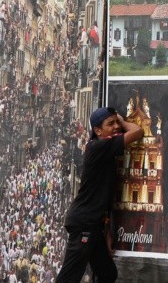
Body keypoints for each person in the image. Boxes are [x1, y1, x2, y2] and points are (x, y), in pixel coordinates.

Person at [55, 107, 143, 283]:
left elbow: (104, 195)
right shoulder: (99, 146)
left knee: (107, 273)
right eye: (110, 124)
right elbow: (138, 131)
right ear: (97, 130)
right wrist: (122, 119)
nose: (116, 126)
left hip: (94, 224)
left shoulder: (104, 148)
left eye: (116, 122)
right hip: (84, 223)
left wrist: (107, 232)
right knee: (70, 277)